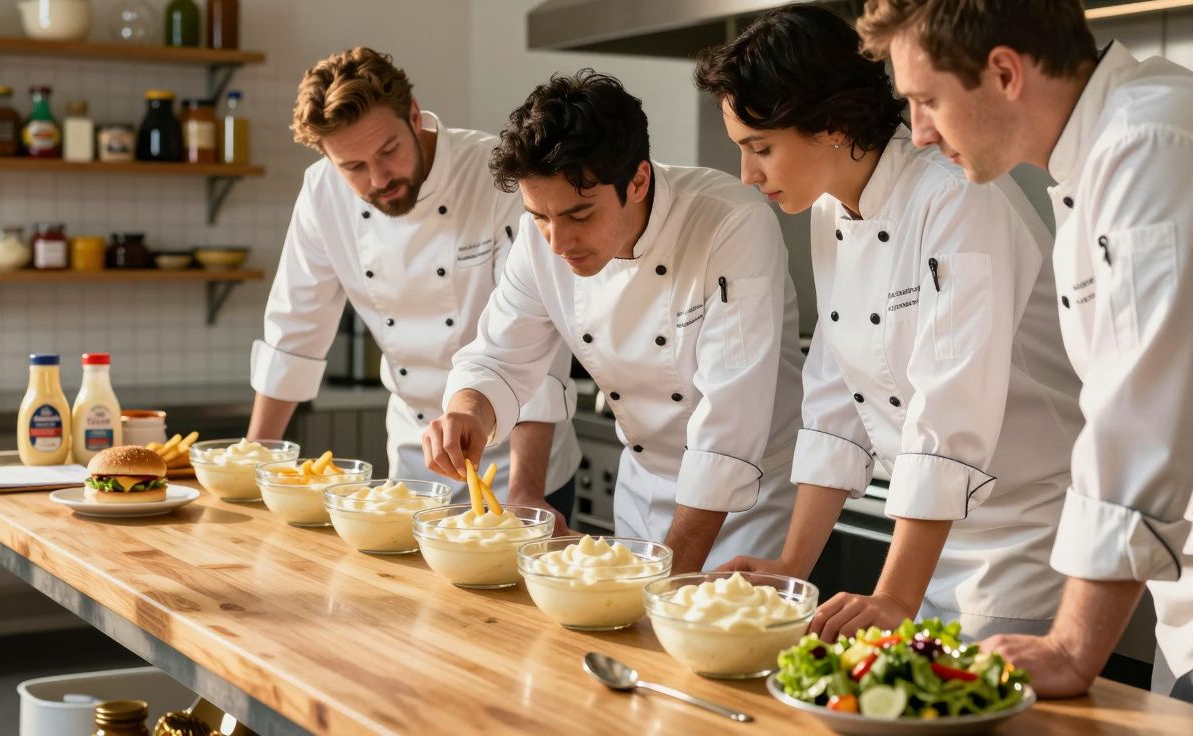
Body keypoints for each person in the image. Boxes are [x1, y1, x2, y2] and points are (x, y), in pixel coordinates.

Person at [693, 3, 1082, 642]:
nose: (747, 174)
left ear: (833, 124)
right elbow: (833, 398)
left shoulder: (957, 197)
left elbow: (951, 408)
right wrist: (793, 566)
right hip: (926, 543)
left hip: (1023, 538)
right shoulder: (832, 209)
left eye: (760, 148)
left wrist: (895, 593)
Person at [858, 0, 1193, 701]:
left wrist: (1073, 646)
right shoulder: (1101, 154)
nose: (918, 134)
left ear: (1005, 72)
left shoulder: (1149, 143)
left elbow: (1142, 422)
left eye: (926, 101)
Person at [423, 70, 804, 573]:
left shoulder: (730, 222)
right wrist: (469, 411)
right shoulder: (541, 239)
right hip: (642, 486)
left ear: (639, 180)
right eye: (540, 216)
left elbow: (730, 422)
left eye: (580, 216)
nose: (557, 242)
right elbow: (498, 357)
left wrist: (666, 578)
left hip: (747, 501)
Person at [248, 47, 581, 531]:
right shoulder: (322, 193)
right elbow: (292, 334)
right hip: (414, 465)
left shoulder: (497, 178)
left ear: (413, 114)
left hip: (520, 464)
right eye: (353, 167)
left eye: (387, 151)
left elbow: (535, 345)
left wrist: (525, 492)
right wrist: (255, 469)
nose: (378, 179)